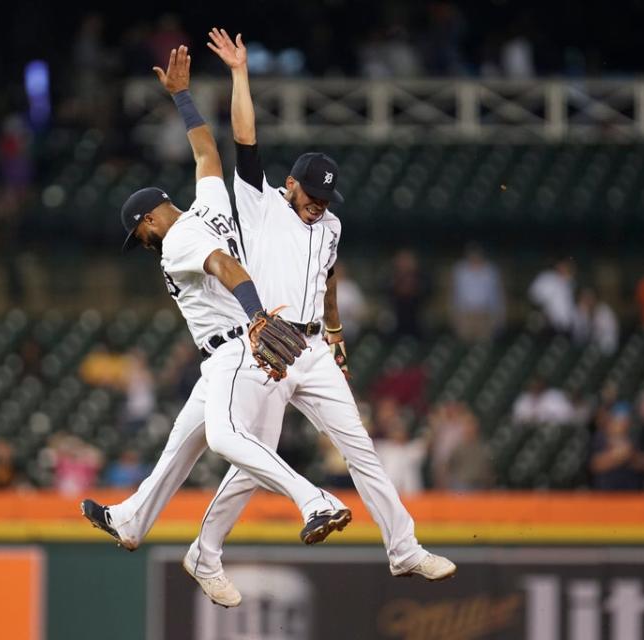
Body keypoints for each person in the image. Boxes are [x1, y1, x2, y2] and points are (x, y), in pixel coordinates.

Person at [84, 36, 454, 609]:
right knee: (225, 445)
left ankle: (400, 548)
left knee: (351, 448)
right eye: (312, 197)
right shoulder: (251, 203)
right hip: (259, 347)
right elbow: (233, 145)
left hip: (282, 342)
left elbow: (321, 270)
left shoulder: (253, 221)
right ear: (292, 185)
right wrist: (234, 79)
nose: (319, 207)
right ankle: (171, 527)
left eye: (141, 231)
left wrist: (332, 332)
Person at [81, 46, 353, 596]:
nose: (143, 241)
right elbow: (206, 150)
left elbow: (225, 266)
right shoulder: (207, 201)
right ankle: (143, 524)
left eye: (140, 232)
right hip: (244, 349)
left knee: (230, 440)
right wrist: (182, 97)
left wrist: (254, 317)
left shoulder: (176, 240)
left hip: (240, 347)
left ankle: (314, 499)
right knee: (184, 442)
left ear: (151, 216)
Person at [451, 243, 505, 342]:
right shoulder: (461, 270)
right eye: (472, 255)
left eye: (477, 255)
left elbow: (496, 296)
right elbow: (456, 295)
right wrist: (456, 316)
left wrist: (498, 317)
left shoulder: (490, 271)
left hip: (485, 313)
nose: (475, 257)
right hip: (466, 314)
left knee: (483, 345)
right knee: (465, 344)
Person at [528, 258, 575, 333]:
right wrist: (545, 312)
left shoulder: (570, 283)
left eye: (568, 266)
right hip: (547, 322)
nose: (565, 268)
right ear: (558, 266)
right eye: (563, 265)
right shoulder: (547, 278)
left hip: (564, 326)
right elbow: (533, 296)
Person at [571, 288, 619, 355]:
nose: (587, 300)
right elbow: (577, 334)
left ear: (594, 298)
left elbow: (603, 332)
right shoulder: (580, 311)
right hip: (585, 349)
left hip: (605, 348)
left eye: (589, 298)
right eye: (584, 298)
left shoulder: (604, 310)